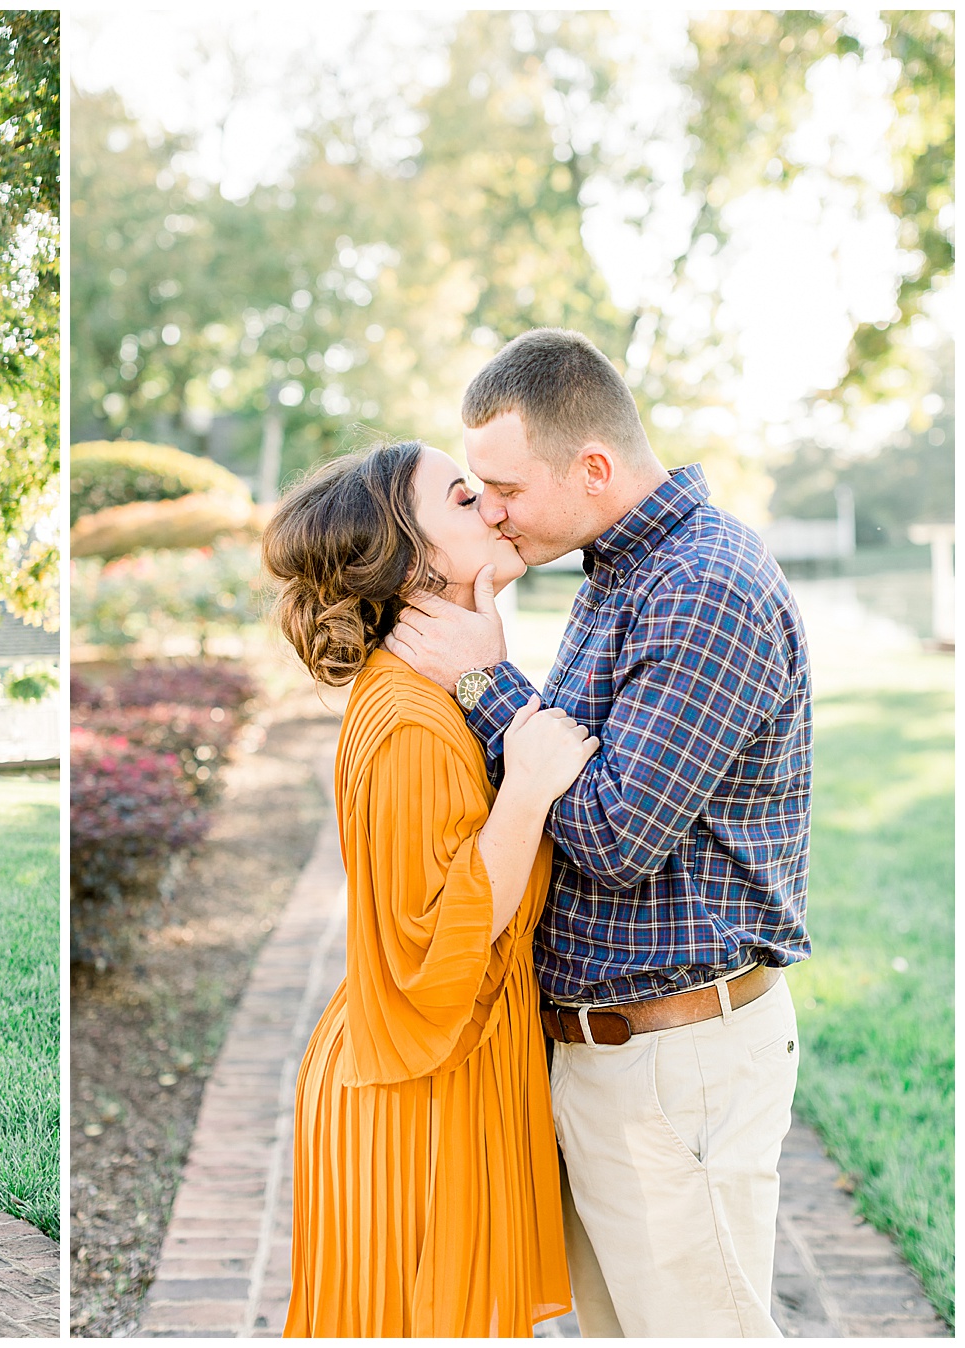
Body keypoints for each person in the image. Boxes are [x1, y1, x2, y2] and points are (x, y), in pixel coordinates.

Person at [386, 327, 812, 1337]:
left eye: (506, 488)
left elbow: (618, 835)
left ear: (592, 467)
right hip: (607, 1059)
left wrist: (484, 679)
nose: (491, 510)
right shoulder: (618, 572)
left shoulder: (703, 586)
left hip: (677, 1066)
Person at [265, 440, 598, 1336]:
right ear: (411, 563)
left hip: (438, 1073)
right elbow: (437, 938)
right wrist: (527, 787)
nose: (493, 506)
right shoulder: (410, 718)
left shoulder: (436, 690)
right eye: (461, 497)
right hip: (414, 1094)